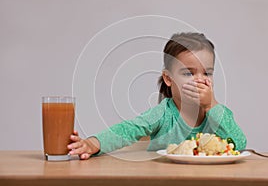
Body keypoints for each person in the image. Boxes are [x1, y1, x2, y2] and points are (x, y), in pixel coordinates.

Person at [68, 32, 247, 160]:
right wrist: (93, 143)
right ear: (168, 79)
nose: (199, 80)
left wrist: (210, 105)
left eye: (207, 73)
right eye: (188, 73)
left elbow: (239, 143)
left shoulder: (218, 114)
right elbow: (129, 129)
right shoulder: (162, 114)